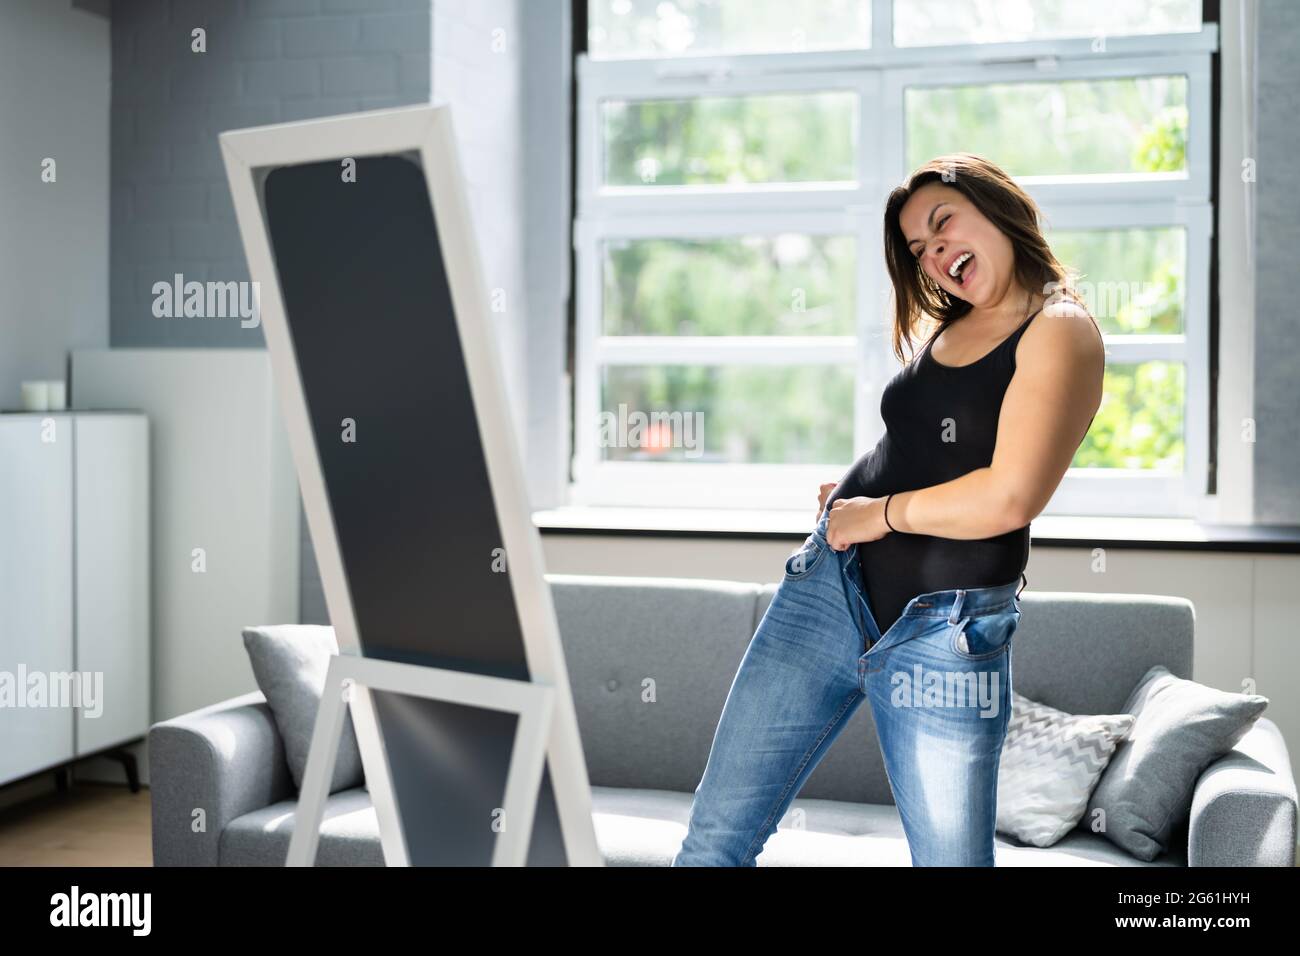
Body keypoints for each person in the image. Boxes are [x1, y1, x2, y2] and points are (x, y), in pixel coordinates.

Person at [672, 153, 1105, 866]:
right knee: (715, 841)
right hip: (826, 589)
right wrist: (849, 495)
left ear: (999, 209)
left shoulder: (1059, 328)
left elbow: (1010, 496)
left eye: (944, 225)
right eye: (919, 249)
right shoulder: (954, 324)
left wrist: (879, 512)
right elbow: (924, 444)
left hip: (944, 633)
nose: (935, 254)